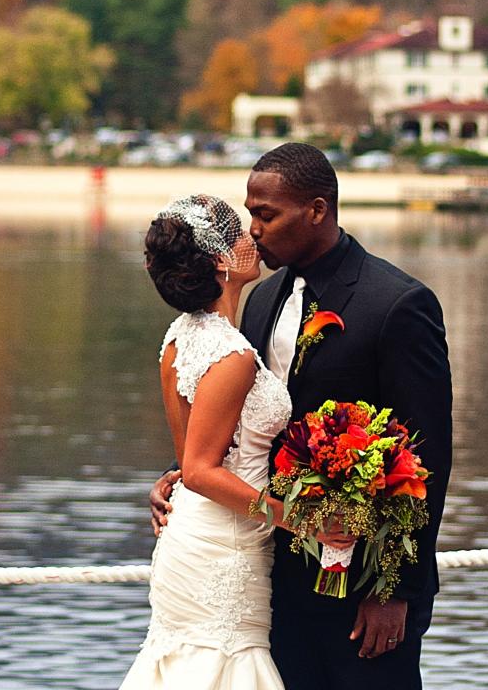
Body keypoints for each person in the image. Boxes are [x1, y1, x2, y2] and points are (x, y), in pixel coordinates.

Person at [149, 144, 453, 690]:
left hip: (363, 586)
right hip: (269, 578)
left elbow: (429, 459)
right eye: (249, 214)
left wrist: (392, 592)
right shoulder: (259, 301)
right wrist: (183, 477)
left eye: (266, 215)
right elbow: (232, 423)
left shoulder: (399, 304)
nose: (253, 229)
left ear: (316, 210)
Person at [122, 194, 353, 689]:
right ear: (223, 259)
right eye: (240, 231)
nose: (254, 235)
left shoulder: (179, 335)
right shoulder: (231, 354)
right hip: (220, 550)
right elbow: (203, 471)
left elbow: (188, 464)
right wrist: (305, 522)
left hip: (193, 537)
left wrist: (172, 481)